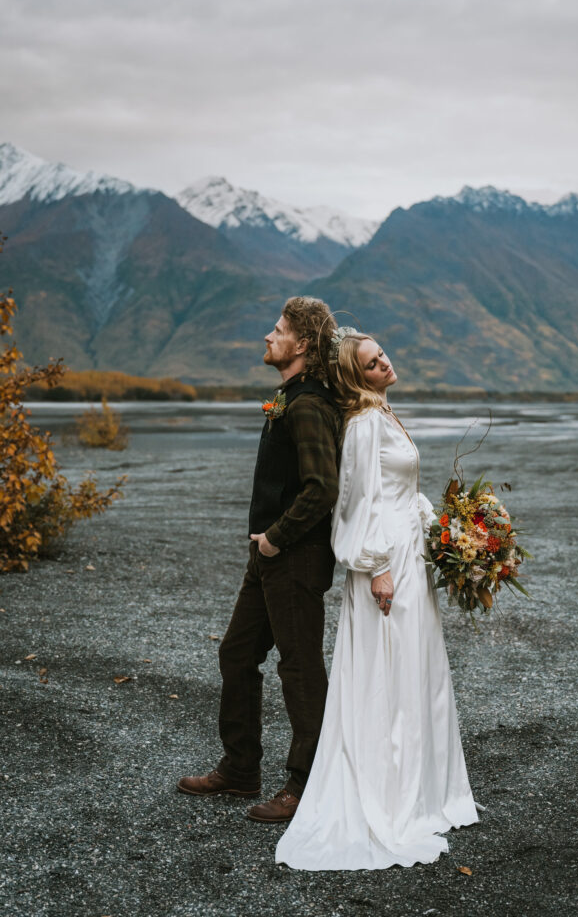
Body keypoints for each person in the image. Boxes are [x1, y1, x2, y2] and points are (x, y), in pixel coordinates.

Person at [275, 328, 478, 869]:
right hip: (387, 562)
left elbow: (404, 493)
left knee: (417, 671)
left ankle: (425, 790)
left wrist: (450, 534)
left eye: (382, 355)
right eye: (370, 364)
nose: (384, 364)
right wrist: (376, 568)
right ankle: (388, 795)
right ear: (353, 376)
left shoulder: (385, 413)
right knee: (387, 676)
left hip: (412, 553)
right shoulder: (363, 423)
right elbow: (356, 502)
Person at [177, 297, 342, 823]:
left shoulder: (311, 404)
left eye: (278, 330)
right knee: (236, 653)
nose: (268, 337)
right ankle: (241, 768)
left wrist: (274, 537)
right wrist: (265, 546)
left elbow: (322, 489)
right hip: (270, 556)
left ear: (305, 345)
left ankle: (304, 785)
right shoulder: (289, 398)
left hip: (294, 554)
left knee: (299, 668)